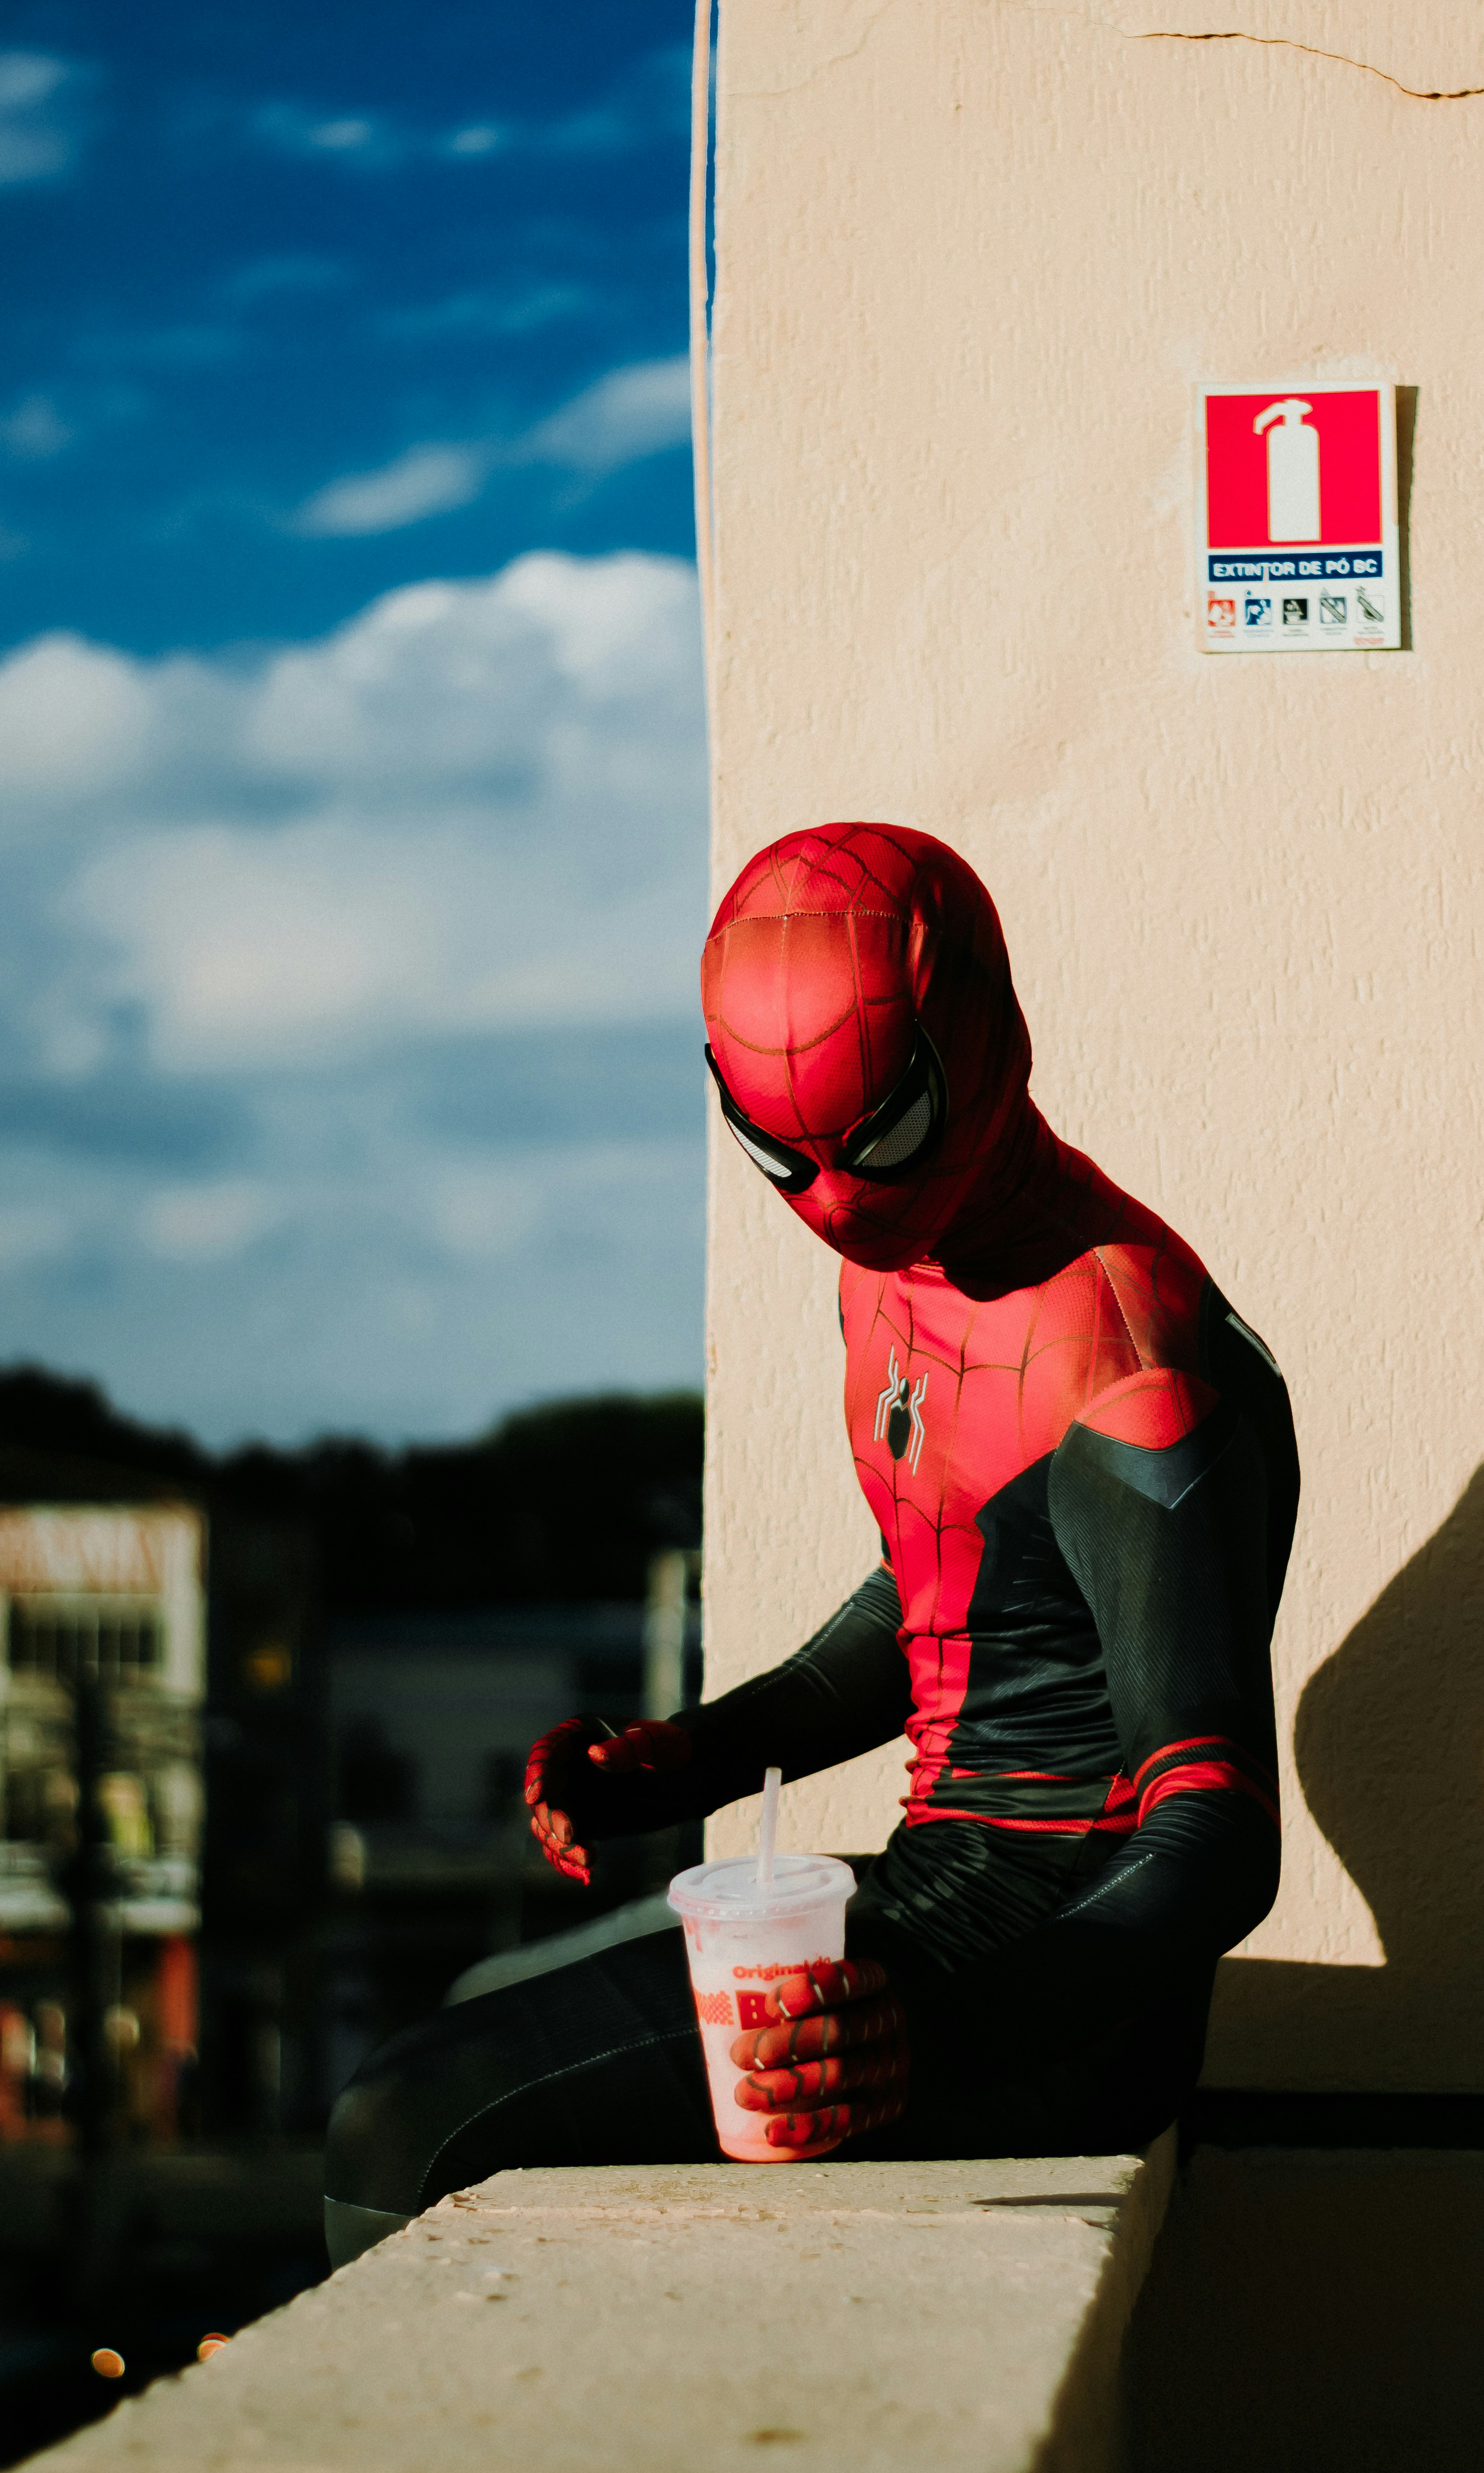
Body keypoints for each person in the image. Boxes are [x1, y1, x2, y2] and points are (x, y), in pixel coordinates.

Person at [323, 821, 1298, 2268]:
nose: (837, 1201)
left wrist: (932, 2030)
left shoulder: (1129, 1357)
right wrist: (693, 1757)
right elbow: (947, 1599)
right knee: (470, 2009)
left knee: (407, 2120)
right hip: (943, 1901)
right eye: (780, 1154)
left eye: (883, 1136)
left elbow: (1217, 1840)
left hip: (1058, 1988)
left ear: (986, 1038)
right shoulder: (898, 1261)